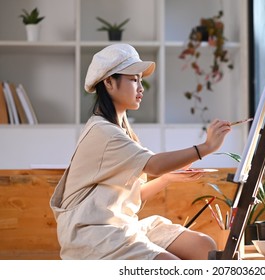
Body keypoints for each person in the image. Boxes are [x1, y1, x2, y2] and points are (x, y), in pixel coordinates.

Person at [50, 43, 232, 260]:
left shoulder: (121, 129)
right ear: (109, 82)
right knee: (171, 265)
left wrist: (166, 179)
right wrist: (206, 147)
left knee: (204, 246)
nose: (141, 87)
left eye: (140, 79)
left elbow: (129, 194)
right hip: (93, 233)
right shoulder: (104, 132)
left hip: (122, 225)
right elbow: (154, 164)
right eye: (133, 79)